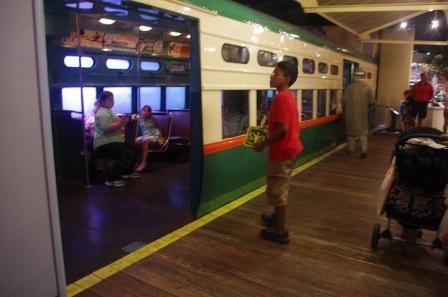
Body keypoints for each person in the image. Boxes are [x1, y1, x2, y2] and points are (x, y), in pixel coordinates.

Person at [253, 61, 302, 244]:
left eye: (277, 73)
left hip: (282, 151)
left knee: (278, 189)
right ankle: (276, 217)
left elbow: (282, 129)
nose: (272, 76)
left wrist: (262, 144)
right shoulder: (288, 96)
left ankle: (281, 231)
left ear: (286, 79)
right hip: (291, 147)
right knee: (281, 184)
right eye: (273, 73)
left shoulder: (281, 98)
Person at [94, 91, 139, 187]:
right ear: (103, 101)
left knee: (134, 149)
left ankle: (126, 173)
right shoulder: (102, 113)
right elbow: (106, 129)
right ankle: (112, 179)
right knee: (127, 154)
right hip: (104, 144)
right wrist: (121, 123)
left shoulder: (108, 111)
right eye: (110, 100)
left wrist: (127, 120)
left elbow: (117, 122)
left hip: (113, 141)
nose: (113, 102)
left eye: (112, 99)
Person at [342, 70, 375, 158]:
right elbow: (371, 101)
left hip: (350, 113)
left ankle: (351, 149)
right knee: (362, 133)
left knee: (350, 133)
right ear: (363, 77)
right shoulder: (367, 88)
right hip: (362, 114)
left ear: (354, 77)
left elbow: (344, 101)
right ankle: (364, 150)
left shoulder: (348, 87)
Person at [135, 105, 165, 172]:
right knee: (136, 140)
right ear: (141, 111)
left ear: (150, 113)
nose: (146, 112)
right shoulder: (139, 119)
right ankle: (138, 161)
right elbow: (132, 118)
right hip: (145, 135)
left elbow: (159, 128)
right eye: (144, 110)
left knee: (145, 140)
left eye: (148, 111)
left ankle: (144, 162)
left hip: (154, 135)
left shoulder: (153, 119)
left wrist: (160, 138)